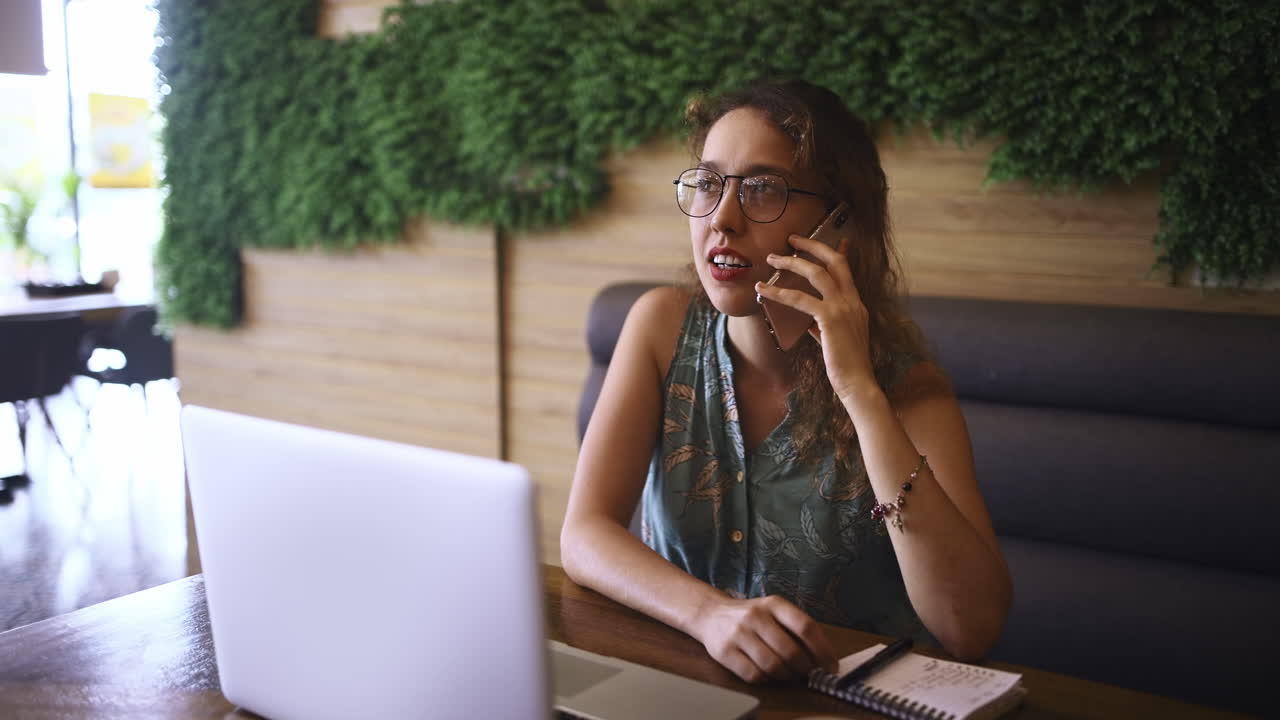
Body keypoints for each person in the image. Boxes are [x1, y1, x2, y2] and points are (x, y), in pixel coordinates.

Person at [561, 79, 1011, 684]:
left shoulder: (909, 388)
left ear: (840, 223)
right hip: (686, 687)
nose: (722, 219)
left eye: (762, 189)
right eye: (710, 184)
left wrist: (860, 395)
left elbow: (971, 627)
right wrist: (712, 616)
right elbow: (585, 535)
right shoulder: (660, 329)